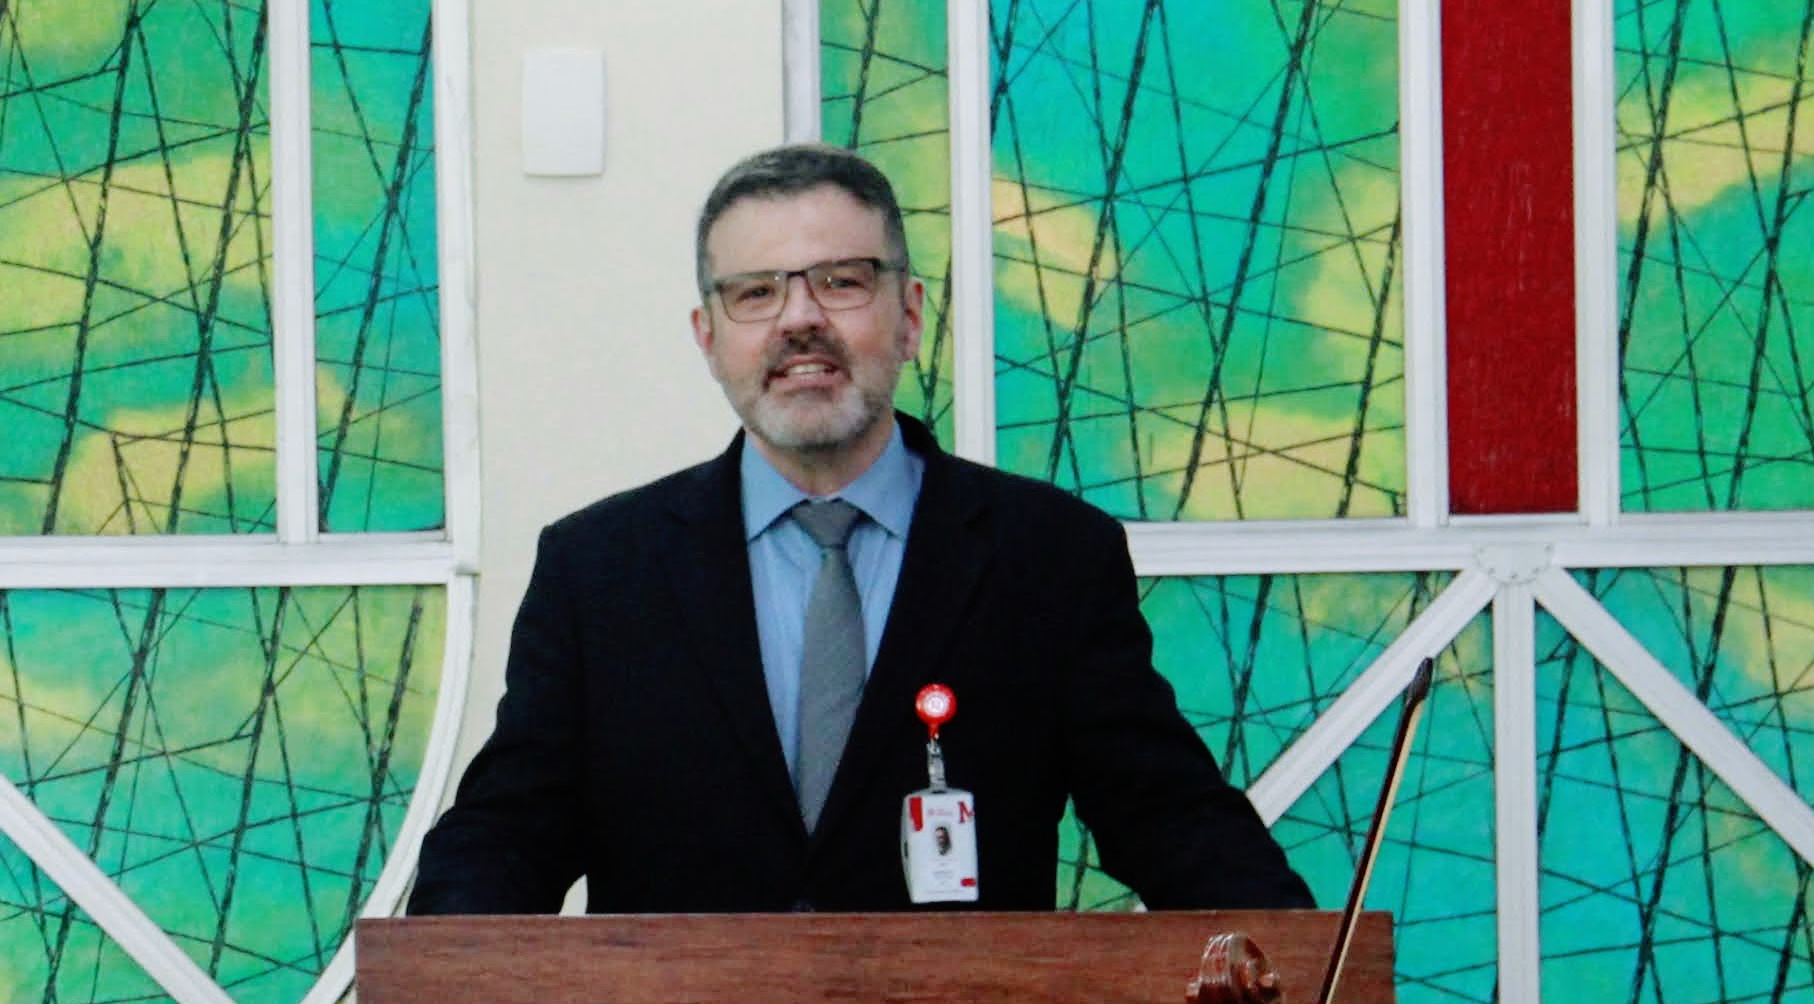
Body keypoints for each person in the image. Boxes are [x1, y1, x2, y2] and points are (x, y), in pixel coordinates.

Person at [412, 143, 1307, 915]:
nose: (801, 319)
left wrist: (1310, 983)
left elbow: (1169, 818)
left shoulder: (1048, 558)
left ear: (910, 315)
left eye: (841, 282)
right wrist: (435, 999)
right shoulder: (599, 572)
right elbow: (508, 833)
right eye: (756, 292)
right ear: (708, 337)